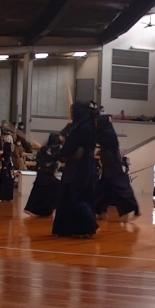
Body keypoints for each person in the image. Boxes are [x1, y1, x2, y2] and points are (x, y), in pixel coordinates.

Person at [52, 101, 99, 238]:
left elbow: (70, 147)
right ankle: (74, 229)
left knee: (74, 196)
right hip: (86, 165)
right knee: (80, 195)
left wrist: (57, 154)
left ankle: (88, 226)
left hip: (77, 167)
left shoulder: (81, 128)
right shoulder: (90, 125)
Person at [94, 115, 140, 220]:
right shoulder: (107, 132)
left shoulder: (107, 133)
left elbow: (95, 138)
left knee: (121, 188)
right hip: (108, 165)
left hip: (113, 166)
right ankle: (101, 211)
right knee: (103, 191)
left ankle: (135, 209)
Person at [24, 133, 62, 217]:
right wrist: (59, 147)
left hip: (47, 175)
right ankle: (51, 208)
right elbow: (50, 155)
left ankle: (47, 209)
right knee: (57, 186)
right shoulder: (46, 149)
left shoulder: (52, 149)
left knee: (55, 187)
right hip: (44, 175)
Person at [0, 130, 15, 202]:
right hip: (6, 171)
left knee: (8, 184)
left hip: (8, 171)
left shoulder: (9, 155)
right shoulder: (6, 155)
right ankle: (5, 196)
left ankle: (7, 197)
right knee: (6, 184)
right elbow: (4, 163)